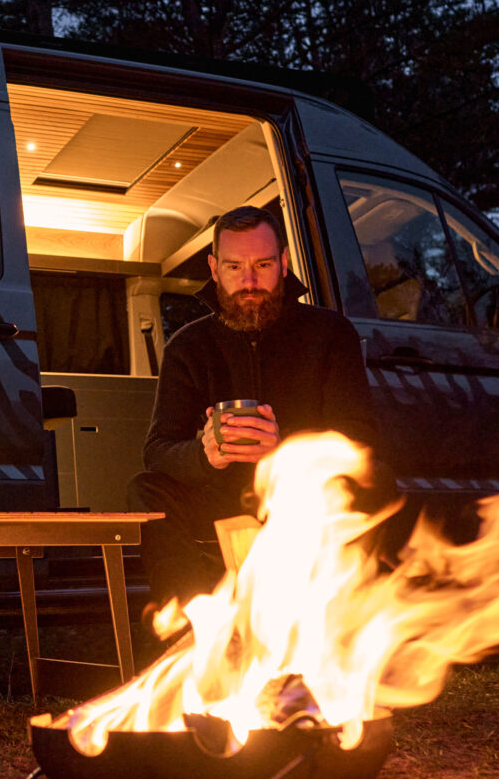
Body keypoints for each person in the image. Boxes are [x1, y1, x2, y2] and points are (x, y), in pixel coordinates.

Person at [128, 205, 381, 610]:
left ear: (283, 262)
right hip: (219, 502)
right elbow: (157, 449)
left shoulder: (330, 334)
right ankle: (195, 632)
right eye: (233, 267)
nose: (249, 282)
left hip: (306, 501)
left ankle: (343, 622)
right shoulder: (189, 348)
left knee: (377, 480)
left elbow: (361, 438)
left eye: (262, 264)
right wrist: (204, 453)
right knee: (146, 491)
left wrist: (288, 450)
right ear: (214, 268)